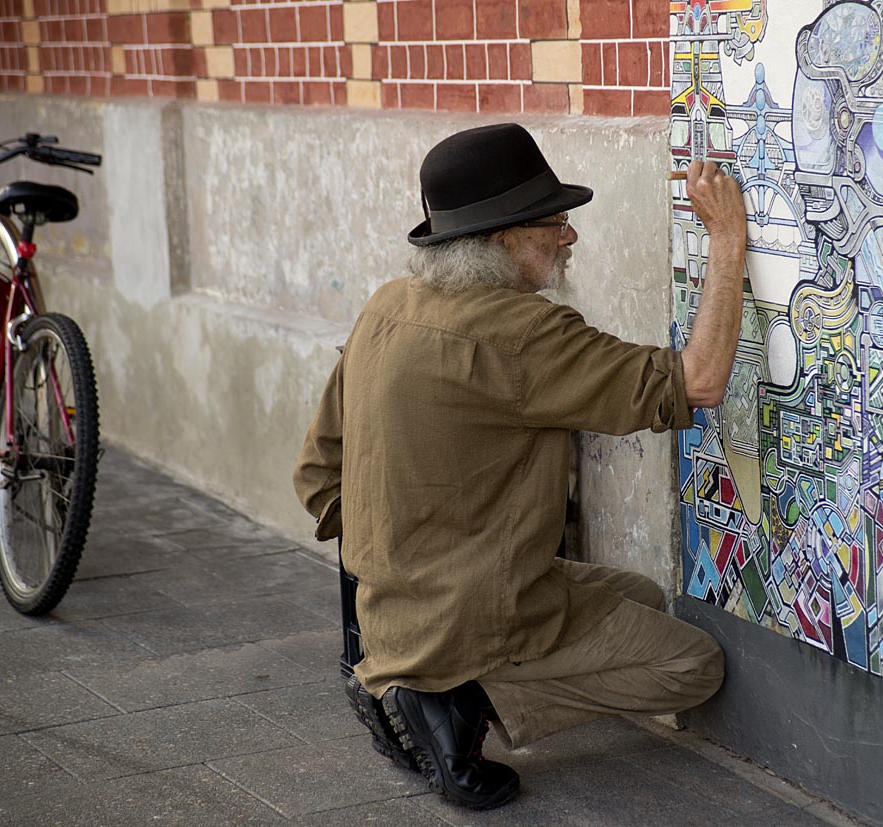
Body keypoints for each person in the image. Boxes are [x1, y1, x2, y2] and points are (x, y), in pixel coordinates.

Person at [293, 123, 747, 810]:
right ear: (502, 240)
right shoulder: (524, 333)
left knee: (643, 597)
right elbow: (701, 379)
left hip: (391, 610)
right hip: (472, 618)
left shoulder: (388, 306)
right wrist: (726, 239)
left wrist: (396, 559)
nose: (569, 236)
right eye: (554, 223)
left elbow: (317, 472)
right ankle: (457, 701)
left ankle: (418, 680)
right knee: (692, 663)